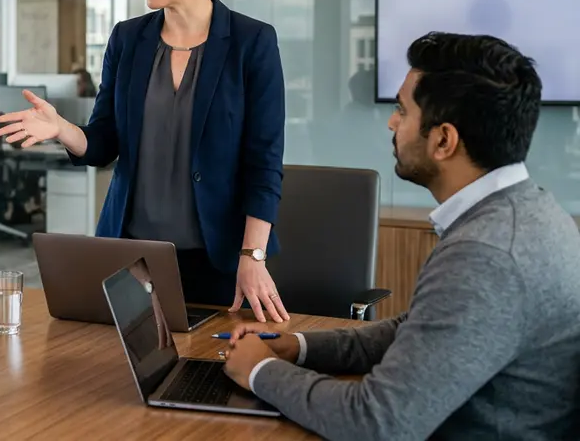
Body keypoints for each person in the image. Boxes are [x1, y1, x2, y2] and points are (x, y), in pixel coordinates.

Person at [224, 32, 580, 440]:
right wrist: (300, 348)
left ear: (444, 140)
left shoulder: (487, 253)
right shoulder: (529, 212)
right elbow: (420, 330)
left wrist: (260, 371)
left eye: (402, 110)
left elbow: (377, 423)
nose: (392, 121)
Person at [0, 0, 288, 322]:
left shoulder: (252, 42)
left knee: (211, 377)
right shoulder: (128, 39)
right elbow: (102, 142)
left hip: (223, 260)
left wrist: (253, 255)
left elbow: (264, 163)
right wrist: (61, 128)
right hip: (131, 259)